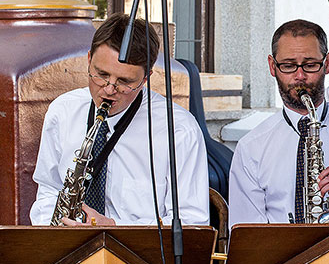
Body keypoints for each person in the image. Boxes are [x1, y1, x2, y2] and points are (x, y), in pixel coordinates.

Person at [30, 13, 209, 226]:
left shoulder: (178, 130)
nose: (108, 89)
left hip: (138, 257)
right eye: (101, 74)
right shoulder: (63, 110)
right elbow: (49, 189)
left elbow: (192, 223)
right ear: (89, 60)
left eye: (124, 81)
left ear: (145, 78)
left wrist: (116, 228)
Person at [228, 19, 329, 226]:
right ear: (272, 66)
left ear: (327, 63)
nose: (300, 76)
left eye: (310, 65)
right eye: (288, 66)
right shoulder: (251, 147)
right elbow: (246, 233)